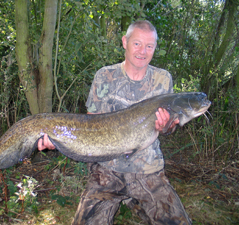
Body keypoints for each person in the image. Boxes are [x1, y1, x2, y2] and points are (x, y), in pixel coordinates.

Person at [38, 20, 191, 225]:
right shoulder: (105, 76)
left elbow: (167, 129)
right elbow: (89, 127)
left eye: (149, 46)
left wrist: (165, 126)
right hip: (106, 170)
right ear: (125, 42)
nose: (142, 51)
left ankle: (132, 199)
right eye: (137, 43)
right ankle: (129, 200)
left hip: (147, 169)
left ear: (155, 47)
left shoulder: (163, 79)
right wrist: (58, 140)